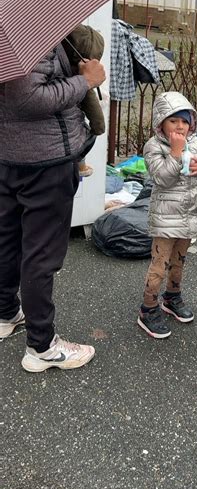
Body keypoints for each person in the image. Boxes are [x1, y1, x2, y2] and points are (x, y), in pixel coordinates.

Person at [0, 44, 106, 372]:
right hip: (45, 163)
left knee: (8, 239)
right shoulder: (26, 35)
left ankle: (5, 312)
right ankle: (42, 347)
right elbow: (28, 98)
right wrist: (85, 81)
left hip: (9, 155)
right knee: (41, 255)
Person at [137, 92, 197, 339]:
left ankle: (172, 296)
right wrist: (175, 152)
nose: (180, 126)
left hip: (189, 216)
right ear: (161, 123)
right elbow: (161, 177)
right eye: (173, 121)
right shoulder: (153, 146)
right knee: (159, 265)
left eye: (184, 121)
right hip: (165, 219)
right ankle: (148, 308)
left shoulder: (195, 143)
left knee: (179, 262)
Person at [62, 23, 106, 177]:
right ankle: (80, 165)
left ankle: (80, 165)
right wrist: (97, 128)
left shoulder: (58, 69)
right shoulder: (82, 81)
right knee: (84, 135)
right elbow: (94, 111)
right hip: (70, 135)